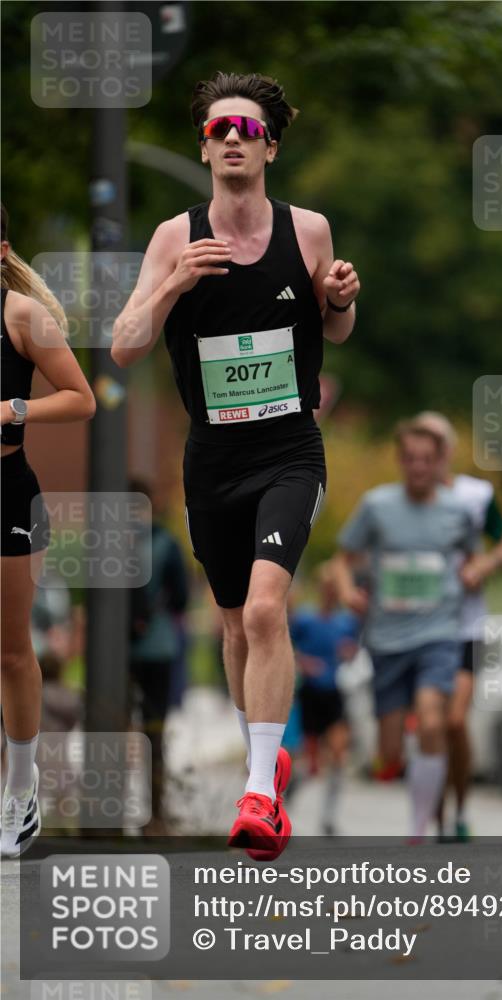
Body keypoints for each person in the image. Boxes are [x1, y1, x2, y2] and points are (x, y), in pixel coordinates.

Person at [111, 72, 359, 860]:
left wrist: (342, 297)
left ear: (270, 146)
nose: (230, 139)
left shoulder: (309, 229)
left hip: (289, 449)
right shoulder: (172, 237)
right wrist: (175, 282)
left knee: (262, 612)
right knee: (228, 623)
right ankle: (266, 759)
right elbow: (122, 346)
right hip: (211, 457)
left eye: (246, 130)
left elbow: (339, 331)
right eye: (218, 128)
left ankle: (259, 791)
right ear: (204, 146)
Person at [0, 202, 96, 857]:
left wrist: (12, 406)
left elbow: (82, 398)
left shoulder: (20, 316)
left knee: (9, 651)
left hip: (8, 491)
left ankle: (19, 793)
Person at [333, 420, 475, 841]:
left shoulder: (456, 512)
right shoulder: (376, 506)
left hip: (438, 634)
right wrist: (346, 591)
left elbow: (472, 557)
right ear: (400, 460)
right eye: (410, 459)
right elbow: (343, 559)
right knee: (390, 753)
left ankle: (420, 827)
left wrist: (476, 571)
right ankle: (392, 761)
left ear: (438, 463)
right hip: (387, 638)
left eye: (427, 460)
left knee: (433, 723)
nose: (418, 467)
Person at [412, 411, 502, 840]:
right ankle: (436, 819)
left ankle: (460, 808)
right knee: (430, 726)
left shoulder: (477, 495)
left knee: (454, 722)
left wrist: (485, 564)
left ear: (448, 451)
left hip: (465, 628)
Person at [128, 478, 189, 835]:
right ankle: (156, 816)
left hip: (117, 651)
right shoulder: (166, 543)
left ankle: (107, 808)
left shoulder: (105, 541)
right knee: (154, 732)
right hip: (158, 646)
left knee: (116, 727)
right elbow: (180, 597)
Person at [290, 561, 359, 835]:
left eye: (334, 589)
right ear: (320, 589)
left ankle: (329, 816)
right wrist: (303, 662)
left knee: (339, 754)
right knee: (308, 765)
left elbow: (354, 651)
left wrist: (350, 652)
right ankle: (282, 803)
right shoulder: (305, 620)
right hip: (309, 694)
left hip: (334, 693)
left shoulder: (346, 622)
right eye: (327, 588)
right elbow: (286, 648)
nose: (330, 593)